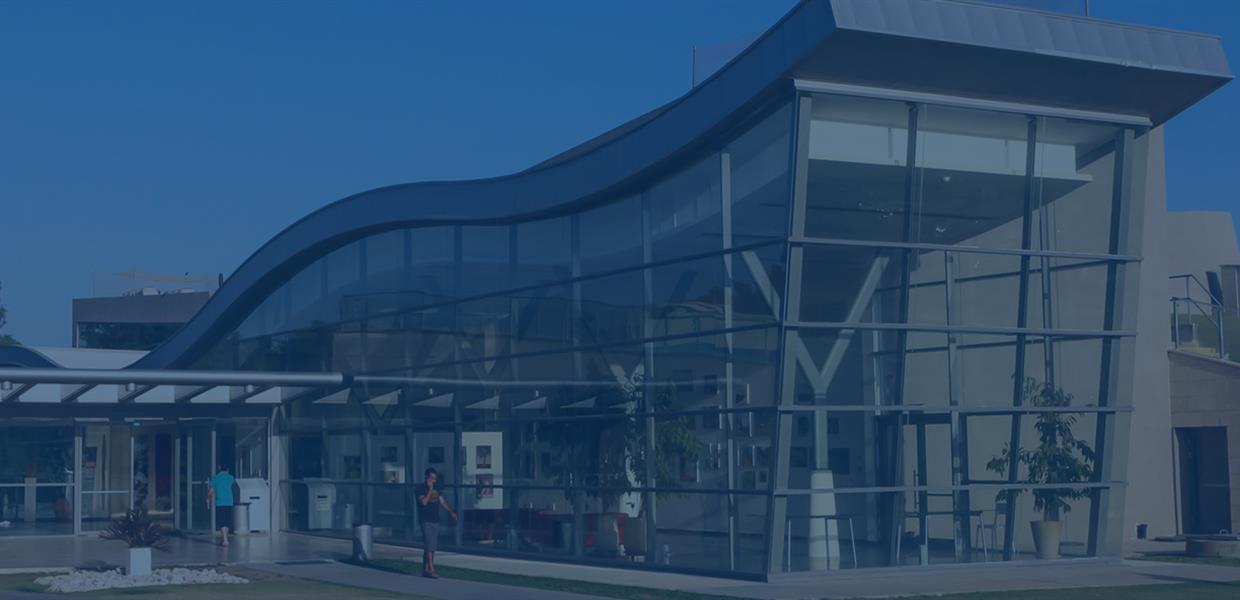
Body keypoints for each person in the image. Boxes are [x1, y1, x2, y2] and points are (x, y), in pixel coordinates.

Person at [415, 467, 457, 578]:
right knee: (429, 545)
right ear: (426, 477)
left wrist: (451, 512)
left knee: (432, 545)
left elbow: (441, 501)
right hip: (425, 520)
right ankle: (431, 570)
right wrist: (430, 489)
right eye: (432, 478)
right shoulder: (419, 488)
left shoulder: (437, 488)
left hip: (435, 519)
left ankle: (425, 569)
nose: (433, 481)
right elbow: (424, 502)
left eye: (435, 479)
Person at [206, 464, 236, 547]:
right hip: (229, 501)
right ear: (227, 469)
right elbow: (233, 485)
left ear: (219, 468)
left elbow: (211, 491)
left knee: (222, 521)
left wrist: (208, 499)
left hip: (220, 502)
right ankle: (223, 539)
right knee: (227, 521)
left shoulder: (216, 478)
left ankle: (225, 541)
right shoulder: (231, 477)